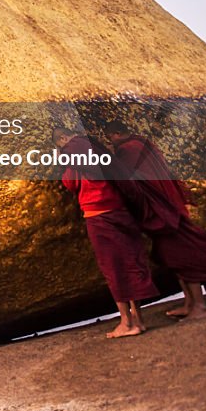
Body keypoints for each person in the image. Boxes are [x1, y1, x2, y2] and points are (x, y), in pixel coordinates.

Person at [104, 120, 206, 321]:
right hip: (168, 204)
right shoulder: (141, 143)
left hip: (162, 210)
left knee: (183, 257)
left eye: (110, 138)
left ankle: (200, 306)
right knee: (174, 258)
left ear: (116, 134)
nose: (111, 142)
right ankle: (189, 302)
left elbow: (127, 179)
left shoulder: (128, 150)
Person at [54, 127, 157, 338]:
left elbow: (71, 184)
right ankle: (139, 319)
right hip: (120, 209)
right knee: (130, 261)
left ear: (63, 139)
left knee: (113, 268)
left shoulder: (73, 153)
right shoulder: (98, 150)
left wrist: (61, 161)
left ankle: (126, 323)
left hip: (97, 213)